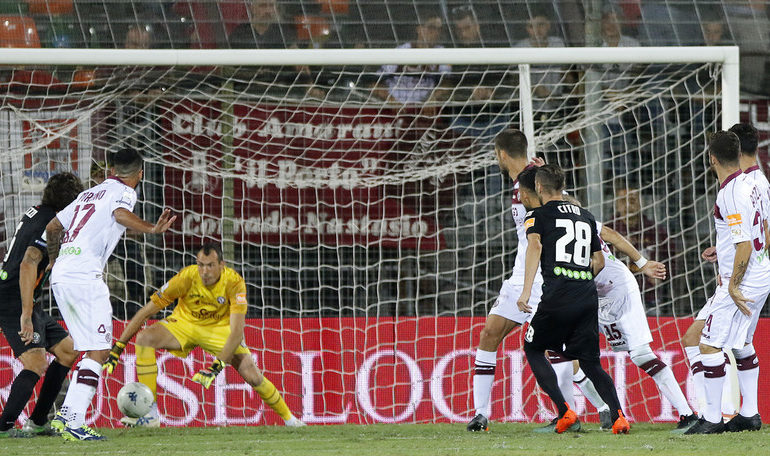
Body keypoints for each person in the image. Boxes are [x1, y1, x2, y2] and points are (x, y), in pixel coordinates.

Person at [466, 130, 606, 433]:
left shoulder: (533, 180)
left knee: (556, 350)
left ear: (501, 154)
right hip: (521, 273)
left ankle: (590, 411)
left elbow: (569, 206)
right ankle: (480, 415)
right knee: (490, 333)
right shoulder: (523, 181)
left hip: (543, 275)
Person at [45, 148, 175, 441]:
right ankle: (73, 421)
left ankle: (66, 418)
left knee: (91, 348)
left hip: (62, 275)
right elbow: (120, 214)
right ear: (139, 173)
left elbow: (53, 226)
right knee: (100, 350)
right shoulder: (125, 193)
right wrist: (152, 228)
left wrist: (54, 260)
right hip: (83, 276)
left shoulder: (89, 194)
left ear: (111, 169)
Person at [102, 243, 305, 428]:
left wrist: (216, 367)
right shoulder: (186, 278)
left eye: (210, 265)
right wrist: (117, 348)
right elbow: (146, 312)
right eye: (200, 265)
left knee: (251, 374)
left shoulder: (234, 283)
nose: (204, 271)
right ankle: (150, 414)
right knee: (145, 338)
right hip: (185, 324)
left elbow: (236, 332)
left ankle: (290, 420)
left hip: (219, 329)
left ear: (221, 264)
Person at [517, 164, 630, 434]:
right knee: (591, 362)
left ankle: (564, 411)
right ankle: (619, 417)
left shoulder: (536, 216)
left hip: (557, 295)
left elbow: (534, 246)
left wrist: (526, 290)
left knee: (533, 348)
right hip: (587, 297)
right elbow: (599, 261)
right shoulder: (586, 216)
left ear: (540, 188)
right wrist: (580, 280)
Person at [682, 123, 770, 432]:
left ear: (712, 159)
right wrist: (725, 251)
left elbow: (744, 242)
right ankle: (749, 414)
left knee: (707, 344)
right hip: (760, 273)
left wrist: (733, 283)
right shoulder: (756, 183)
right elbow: (762, 234)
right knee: (741, 342)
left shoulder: (731, 192)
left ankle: (712, 419)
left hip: (742, 282)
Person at [0, 173, 83, 438]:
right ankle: (4, 427)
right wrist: (26, 314)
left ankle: (37, 421)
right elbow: (27, 264)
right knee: (36, 363)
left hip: (23, 295)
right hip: (12, 297)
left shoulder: (39, 212)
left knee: (68, 351)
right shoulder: (50, 223)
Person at [375, 11, 450, 105]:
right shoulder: (401, 52)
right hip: (396, 108)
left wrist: (433, 98)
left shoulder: (442, 53)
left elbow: (447, 83)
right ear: (419, 29)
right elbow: (374, 82)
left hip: (424, 109)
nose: (436, 32)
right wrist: (391, 100)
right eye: (431, 28)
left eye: (439, 29)